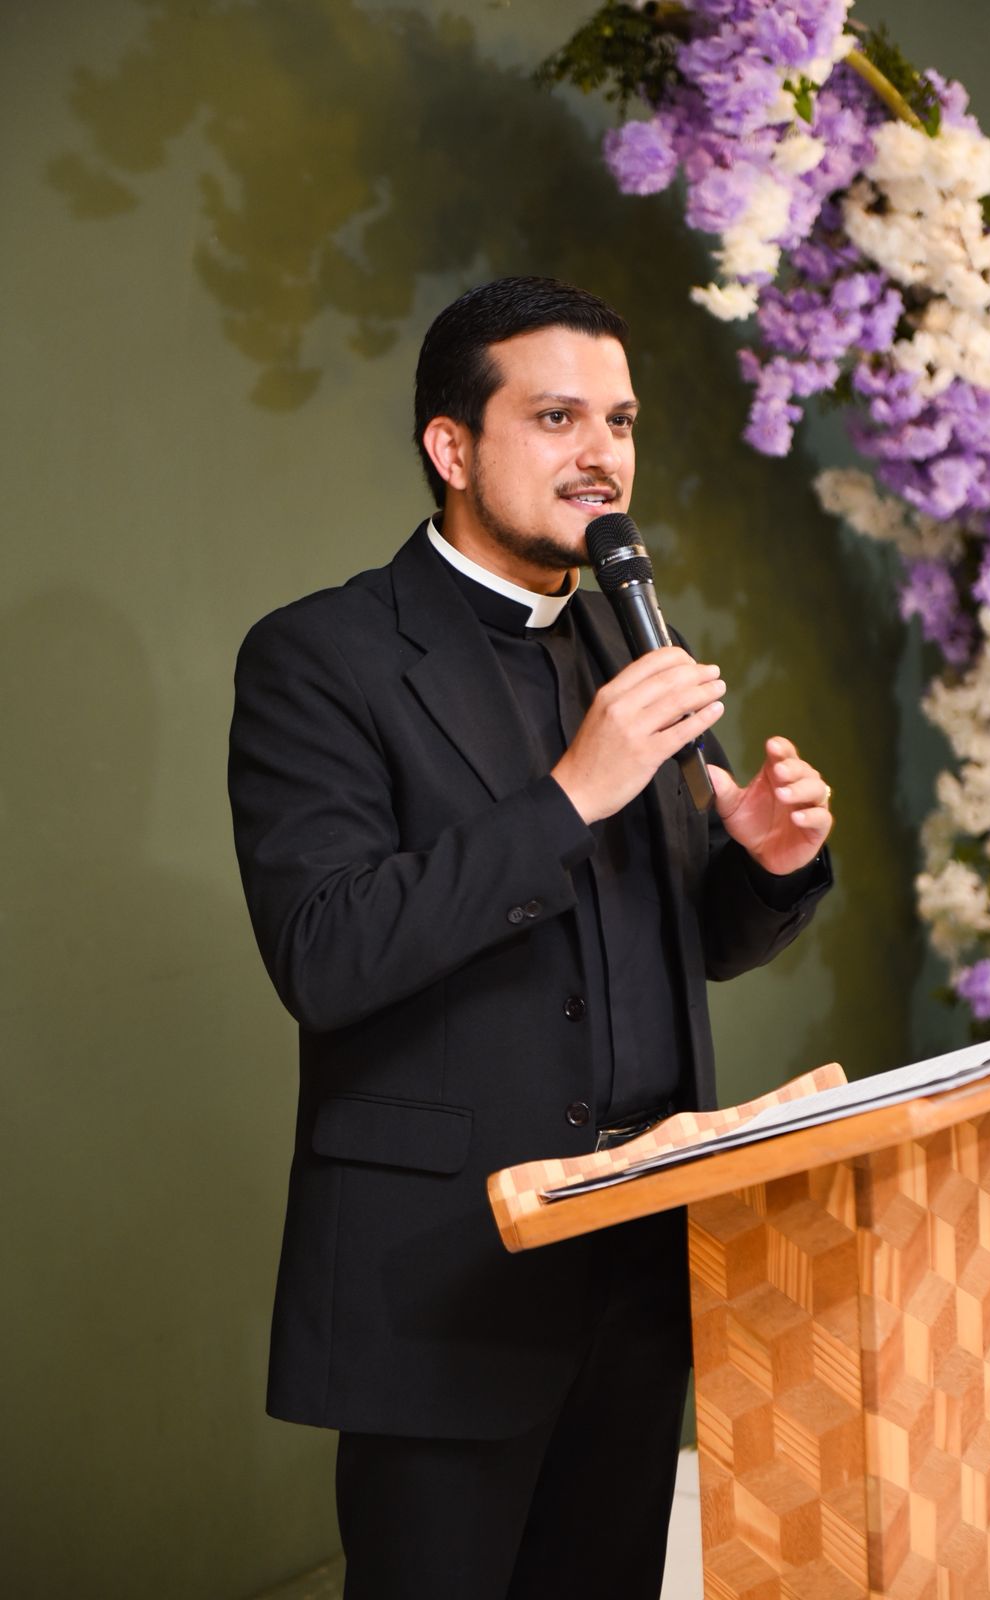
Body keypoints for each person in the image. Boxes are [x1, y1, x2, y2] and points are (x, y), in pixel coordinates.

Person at [228, 275, 833, 1599]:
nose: (601, 453)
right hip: (446, 1286)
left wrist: (767, 867)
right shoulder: (319, 656)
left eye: (619, 420)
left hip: (644, 1271)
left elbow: (678, 950)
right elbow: (325, 952)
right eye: (556, 417)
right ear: (451, 448)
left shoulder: (630, 642)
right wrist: (571, 794)